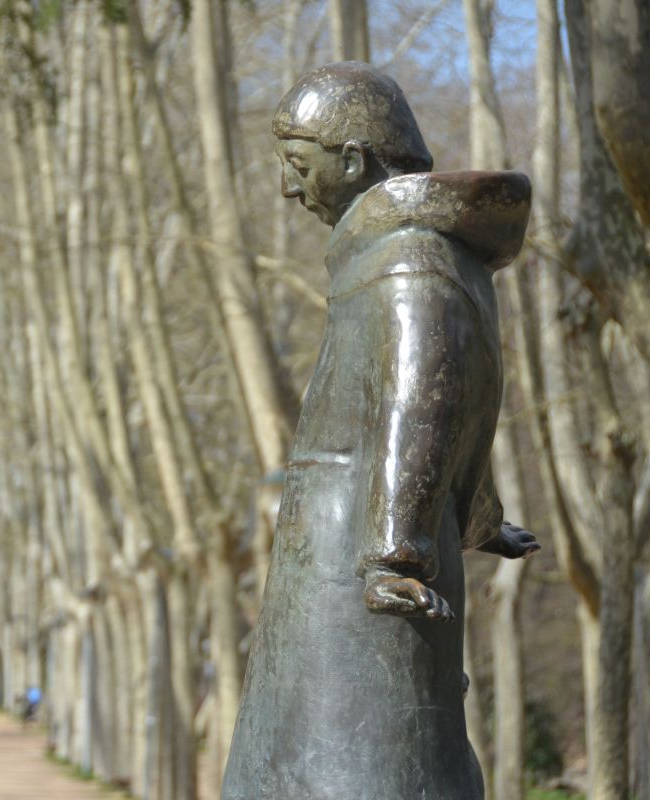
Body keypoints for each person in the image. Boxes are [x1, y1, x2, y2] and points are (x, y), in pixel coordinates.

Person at [222, 62, 536, 800]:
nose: (288, 189)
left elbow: (419, 406)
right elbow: (455, 402)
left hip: (360, 568)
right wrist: (476, 515)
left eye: (300, 168)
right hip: (363, 552)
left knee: (351, 762)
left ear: (355, 160)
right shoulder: (418, 253)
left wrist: (396, 549)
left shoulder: (407, 261)